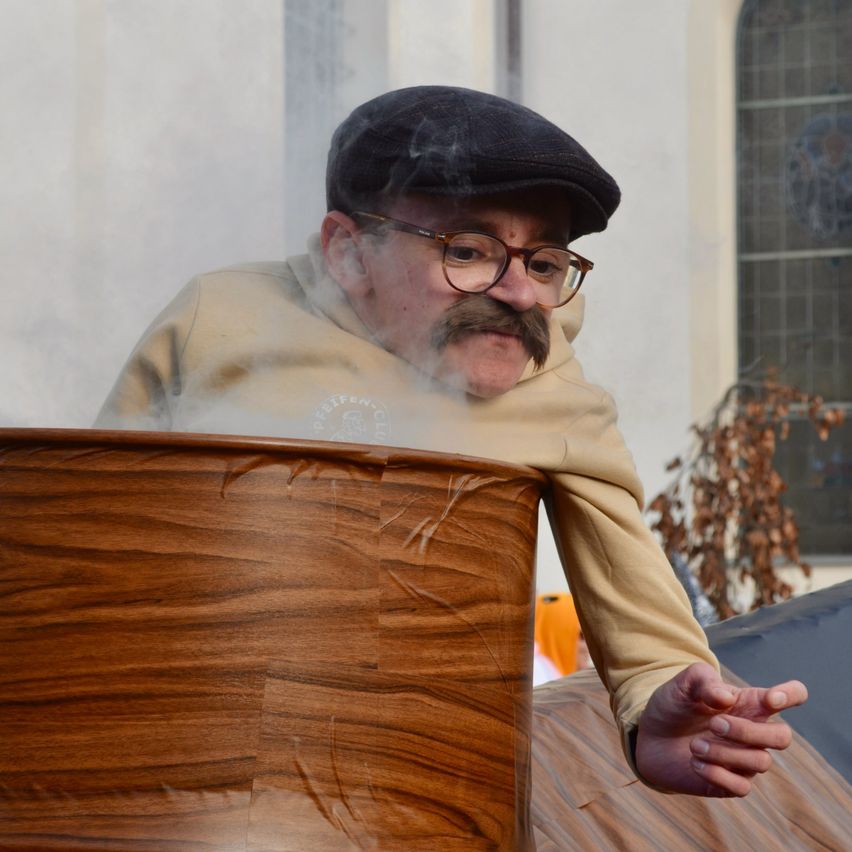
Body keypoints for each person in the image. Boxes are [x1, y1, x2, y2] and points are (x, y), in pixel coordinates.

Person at [96, 85, 807, 798]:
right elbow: (83, 527)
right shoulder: (217, 317)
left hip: (430, 792)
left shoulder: (556, 392)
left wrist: (665, 708)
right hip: (184, 772)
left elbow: (637, 602)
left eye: (544, 262)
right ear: (349, 252)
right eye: (469, 249)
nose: (521, 295)